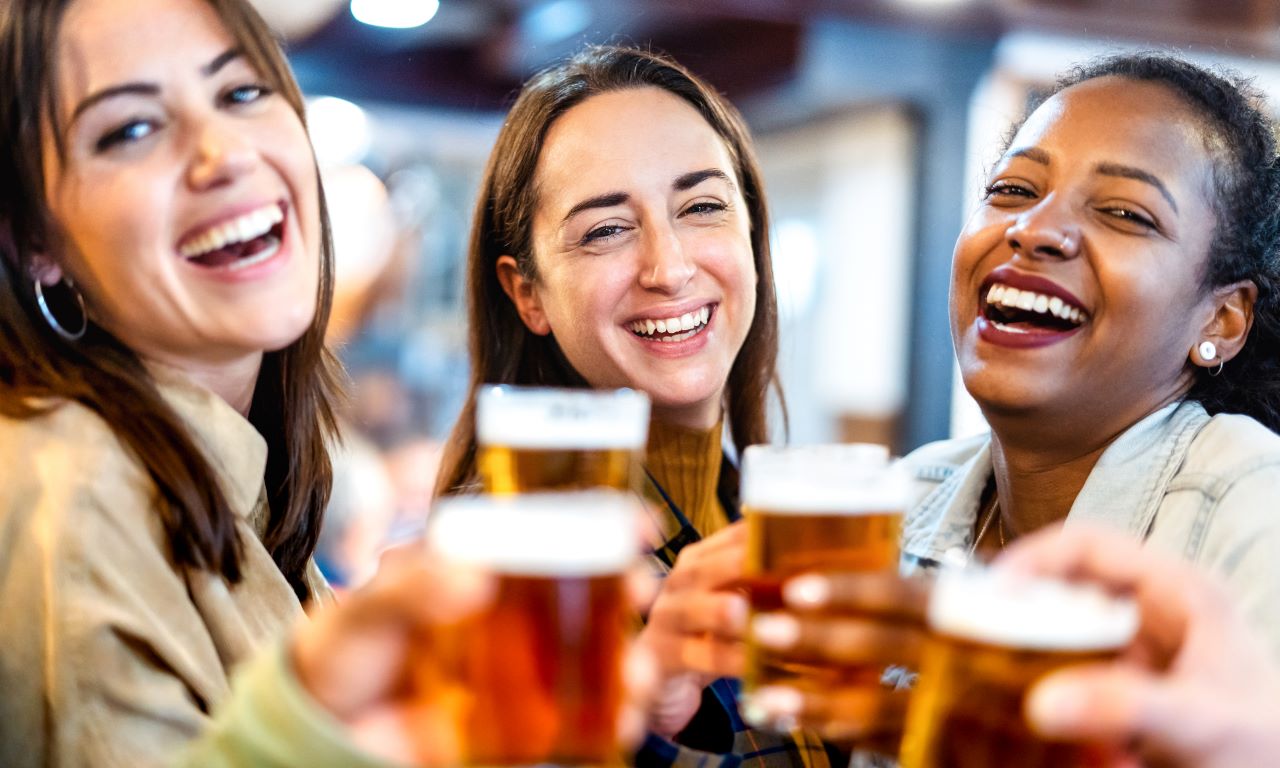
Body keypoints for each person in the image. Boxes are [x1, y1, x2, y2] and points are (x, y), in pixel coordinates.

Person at [743, 52, 1280, 752]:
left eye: (1124, 212)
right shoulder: (907, 496)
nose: (1034, 228)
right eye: (1013, 189)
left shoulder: (1253, 507)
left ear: (1222, 321)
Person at [432, 46, 838, 767]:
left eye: (702, 207)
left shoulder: (773, 518)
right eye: (607, 230)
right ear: (527, 292)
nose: (670, 267)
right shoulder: (505, 572)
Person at [0, 0, 344, 763]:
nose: (223, 153)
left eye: (241, 92)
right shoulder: (77, 489)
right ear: (32, 240)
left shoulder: (222, 470)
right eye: (131, 130)